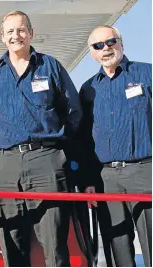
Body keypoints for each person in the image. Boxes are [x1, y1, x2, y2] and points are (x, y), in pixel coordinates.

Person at [0, 11, 83, 266]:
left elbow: (73, 111)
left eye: (21, 30)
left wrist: (57, 149)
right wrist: (3, 151)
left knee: (55, 244)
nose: (16, 36)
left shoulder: (50, 66)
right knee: (12, 244)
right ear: (2, 37)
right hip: (5, 164)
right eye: (10, 32)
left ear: (31, 33)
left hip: (47, 161)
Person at [79, 25, 152, 267]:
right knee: (116, 244)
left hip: (144, 171)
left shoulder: (146, 75)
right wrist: (88, 180)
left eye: (110, 42)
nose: (106, 49)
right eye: (98, 46)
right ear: (92, 53)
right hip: (105, 177)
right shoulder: (89, 89)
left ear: (121, 43)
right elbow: (84, 138)